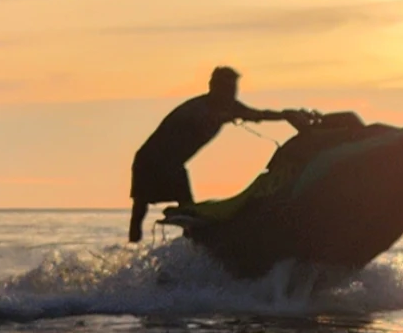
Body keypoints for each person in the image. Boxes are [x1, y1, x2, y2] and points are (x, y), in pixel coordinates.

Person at [128, 67, 316, 241]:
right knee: (140, 213)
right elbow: (205, 117)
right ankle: (132, 254)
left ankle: (193, 245)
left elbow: (258, 114)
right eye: (226, 88)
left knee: (187, 207)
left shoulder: (230, 106)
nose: (231, 93)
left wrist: (285, 115)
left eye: (233, 88)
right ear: (213, 87)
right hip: (150, 160)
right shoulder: (198, 107)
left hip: (174, 164)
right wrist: (224, 116)